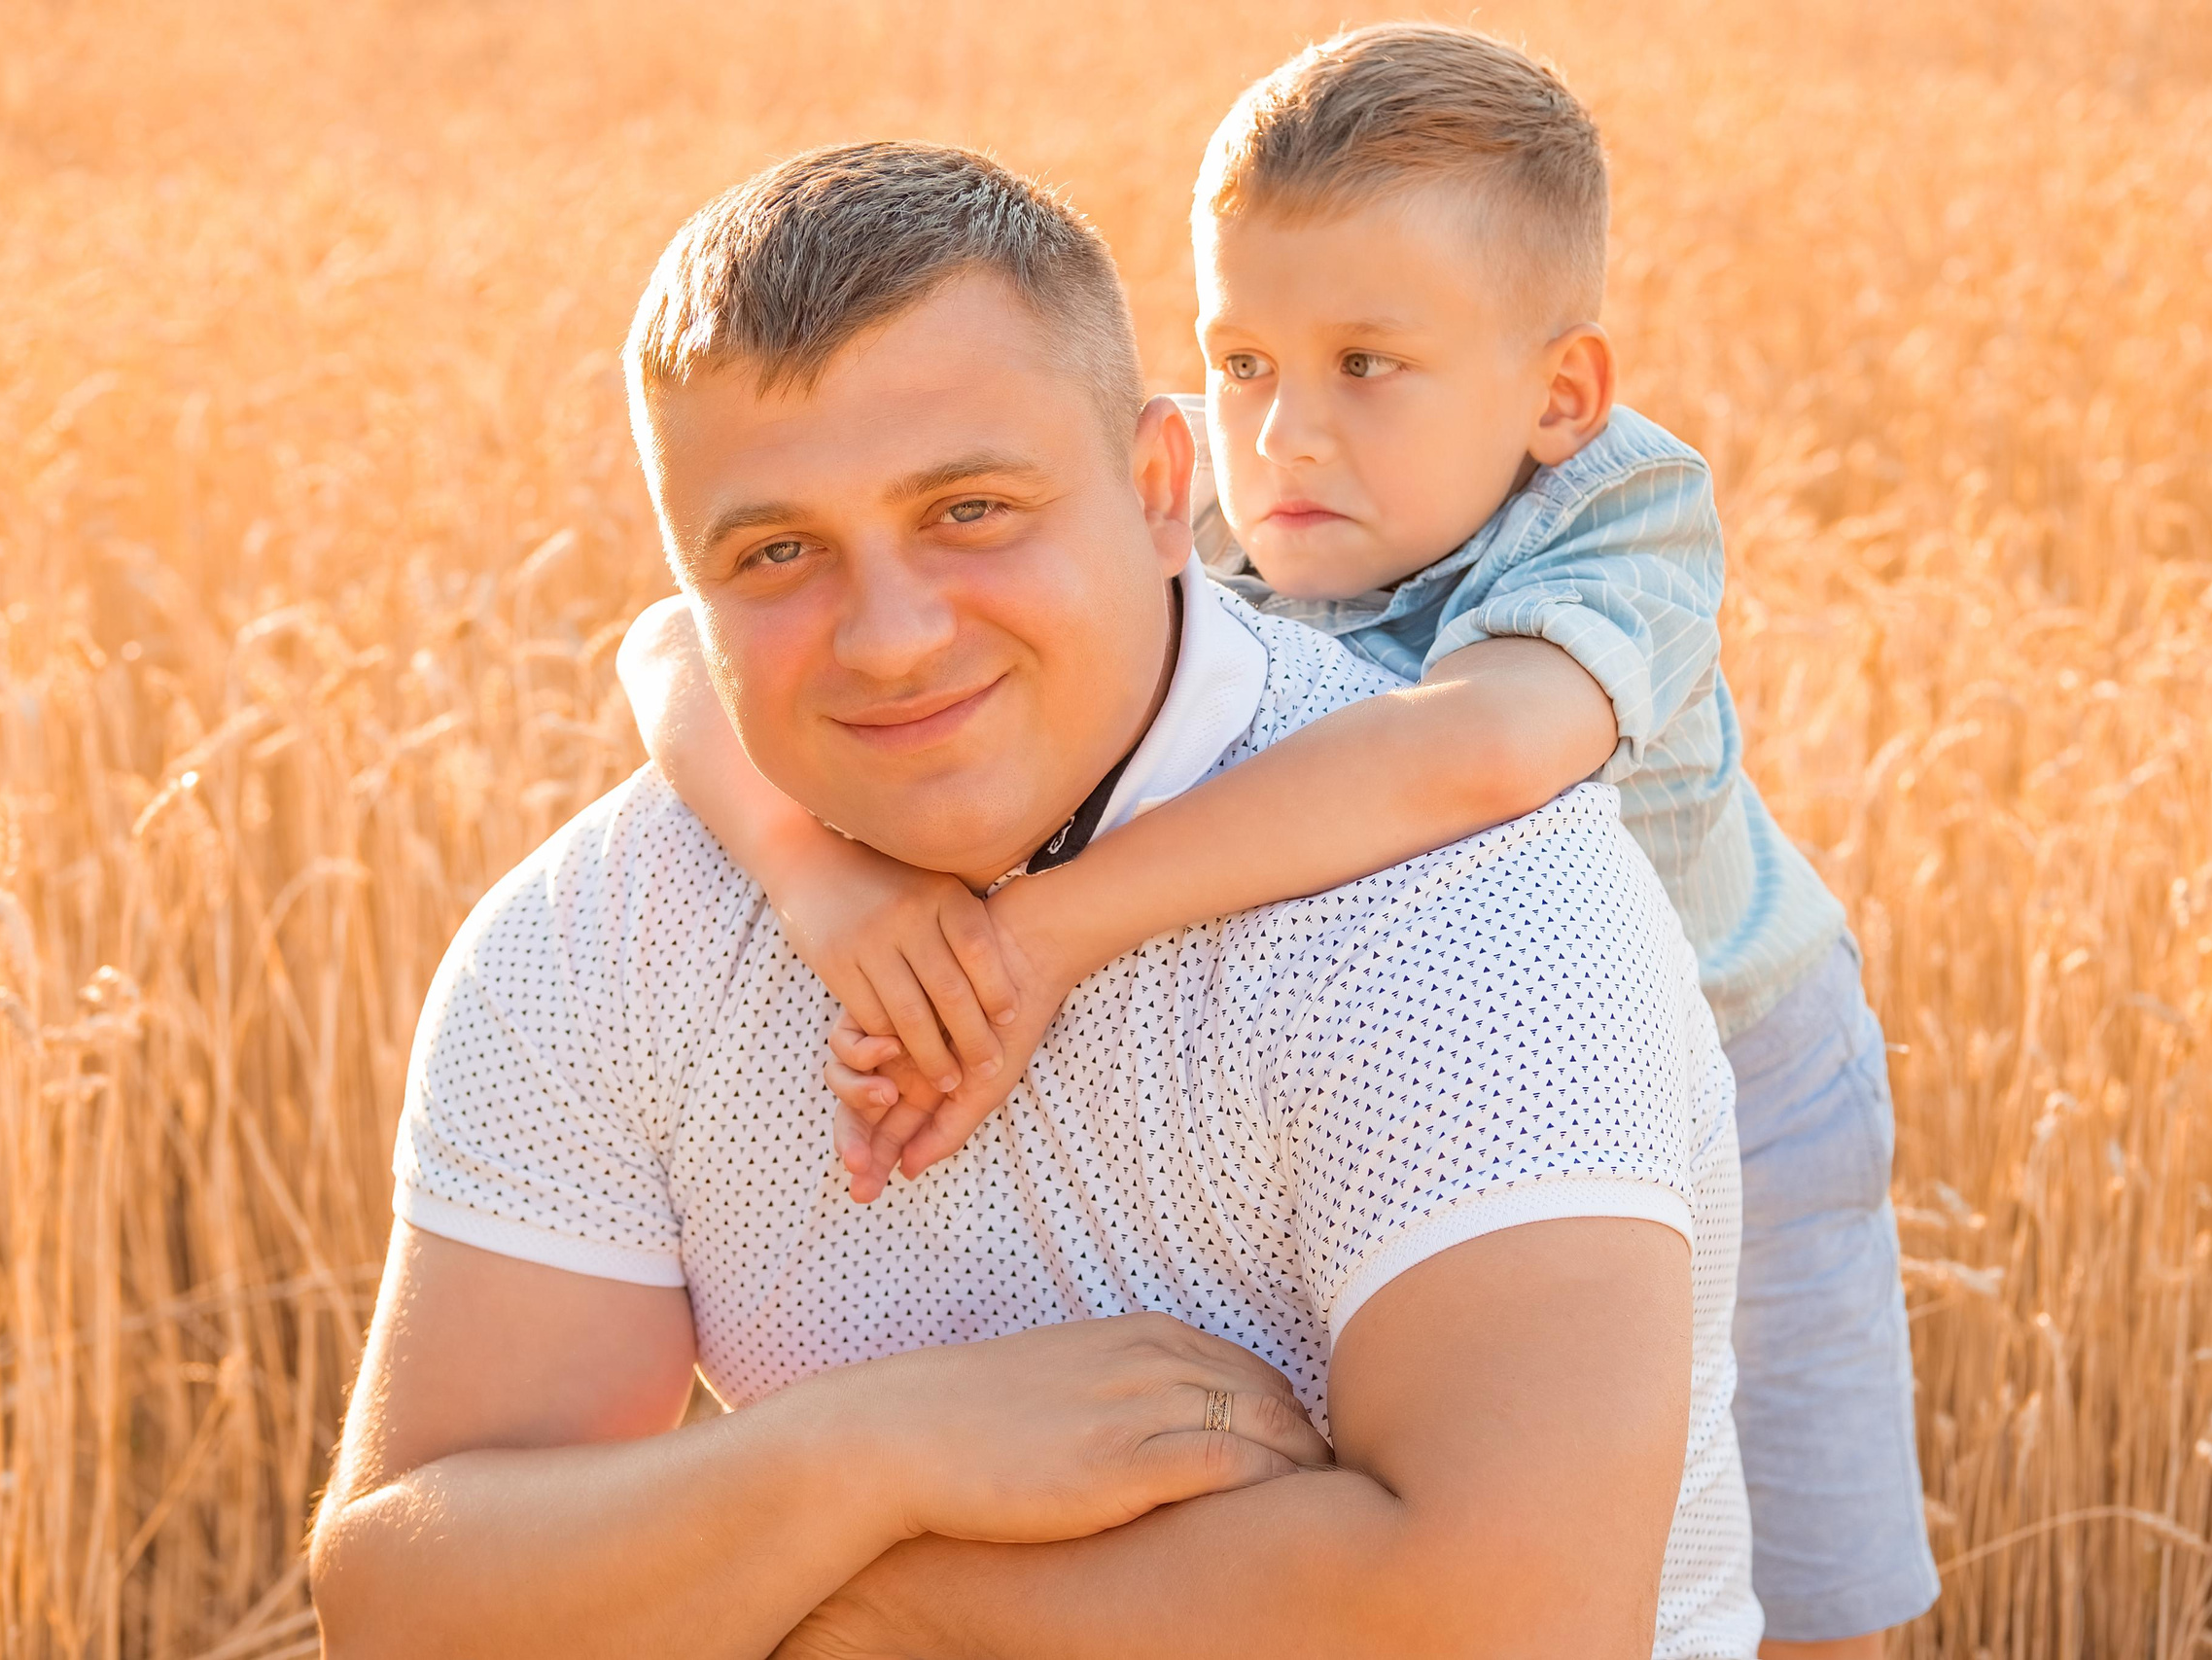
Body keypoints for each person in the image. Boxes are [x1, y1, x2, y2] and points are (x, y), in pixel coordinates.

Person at [309, 140, 1761, 1657]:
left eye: (970, 511)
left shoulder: (1477, 899)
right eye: (780, 551)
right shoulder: (603, 934)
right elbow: (405, 1607)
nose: (887, 637)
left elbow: (1507, 1623)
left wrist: (812, 1590)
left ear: (1153, 491)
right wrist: (883, 1452)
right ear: (689, 582)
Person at [621, 24, 1936, 1655]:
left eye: (1365, 366)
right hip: (1435, 1080)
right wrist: (830, 890)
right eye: (1242, 361)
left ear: (1559, 392)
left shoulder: (1616, 510)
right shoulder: (1217, 486)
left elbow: (1470, 755)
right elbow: (669, 648)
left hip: (1750, 1084)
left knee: (1791, 1562)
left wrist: (1042, 933)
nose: (1288, 432)